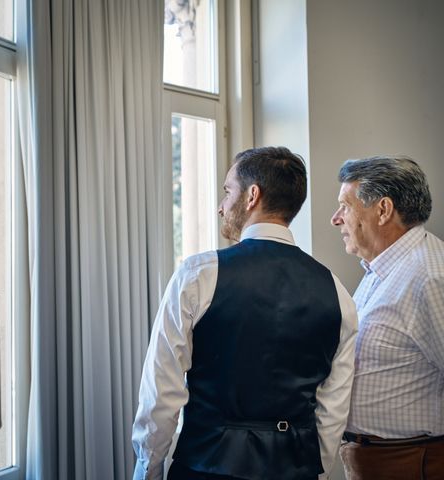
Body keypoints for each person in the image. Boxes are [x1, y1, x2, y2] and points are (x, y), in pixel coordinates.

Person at [132, 146, 358, 480]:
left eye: (227, 191)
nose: (221, 207)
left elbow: (161, 393)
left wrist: (147, 469)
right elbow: (332, 409)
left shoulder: (198, 275)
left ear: (252, 195)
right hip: (296, 471)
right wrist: (316, 472)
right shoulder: (337, 291)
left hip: (206, 468)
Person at [331, 155, 444, 479]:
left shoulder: (430, 277)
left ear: (383, 210)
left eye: (345, 206)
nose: (336, 219)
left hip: (411, 462)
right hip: (377, 460)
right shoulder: (383, 268)